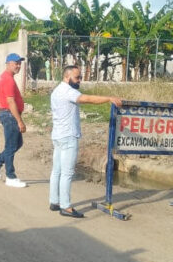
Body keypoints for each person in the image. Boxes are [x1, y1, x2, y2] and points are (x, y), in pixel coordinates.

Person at [50, 65, 122, 218]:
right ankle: (65, 207)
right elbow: (87, 99)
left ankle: (54, 201)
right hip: (68, 136)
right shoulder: (68, 91)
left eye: (80, 77)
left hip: (58, 135)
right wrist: (109, 98)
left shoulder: (57, 90)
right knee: (67, 173)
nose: (79, 80)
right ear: (67, 77)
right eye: (77, 77)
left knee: (57, 170)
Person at [0, 53, 27, 188]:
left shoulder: (7, 78)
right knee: (11, 146)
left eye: (19, 63)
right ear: (8, 64)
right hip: (9, 115)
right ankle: (10, 176)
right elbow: (10, 101)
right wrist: (19, 121)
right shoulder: (8, 79)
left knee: (17, 143)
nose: (18, 66)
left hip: (9, 115)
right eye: (16, 63)